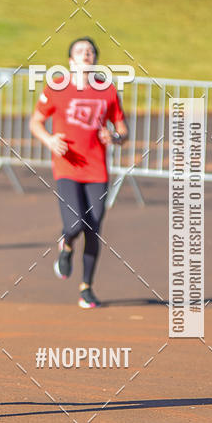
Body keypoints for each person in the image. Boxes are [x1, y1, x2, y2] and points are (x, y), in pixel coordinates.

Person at [29, 37, 128, 308]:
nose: (87, 54)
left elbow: (123, 129)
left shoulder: (107, 90)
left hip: (97, 169)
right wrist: (49, 140)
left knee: (93, 228)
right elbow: (36, 121)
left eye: (91, 51)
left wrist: (115, 137)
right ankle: (67, 243)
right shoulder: (57, 87)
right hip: (68, 165)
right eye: (80, 51)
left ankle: (86, 288)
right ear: (71, 61)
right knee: (75, 224)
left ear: (95, 59)